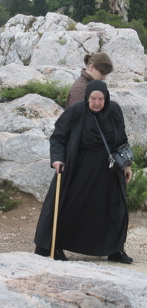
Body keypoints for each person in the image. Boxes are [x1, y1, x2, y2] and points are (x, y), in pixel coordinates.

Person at [34, 80, 133, 264]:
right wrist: (57, 159)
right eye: (93, 98)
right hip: (80, 168)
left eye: (101, 99)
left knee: (114, 208)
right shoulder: (76, 111)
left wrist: (126, 165)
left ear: (106, 98)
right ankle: (52, 246)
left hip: (109, 170)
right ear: (87, 97)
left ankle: (114, 249)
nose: (96, 103)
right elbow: (58, 137)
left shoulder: (114, 111)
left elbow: (121, 139)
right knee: (70, 206)